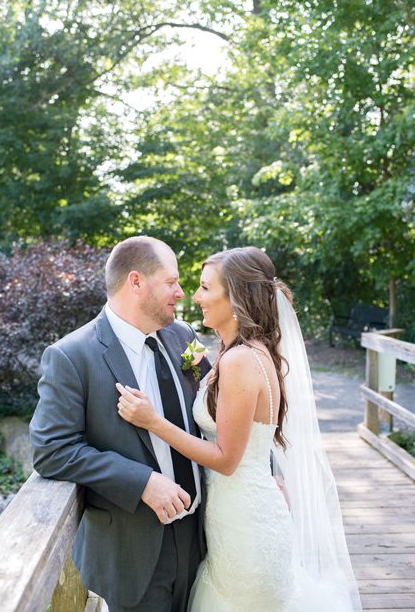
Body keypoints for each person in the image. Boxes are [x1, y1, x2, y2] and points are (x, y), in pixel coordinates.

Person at [116, 247, 361, 611]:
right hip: (240, 514)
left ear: (235, 297)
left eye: (204, 288)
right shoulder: (248, 352)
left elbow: (226, 458)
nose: (194, 296)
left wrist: (153, 421)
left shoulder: (241, 360)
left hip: (246, 526)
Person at [30, 236, 211, 612]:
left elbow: (218, 413)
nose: (181, 292)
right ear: (136, 282)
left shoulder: (184, 337)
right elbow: (52, 451)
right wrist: (141, 482)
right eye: (171, 282)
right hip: (134, 548)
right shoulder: (71, 355)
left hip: (203, 536)